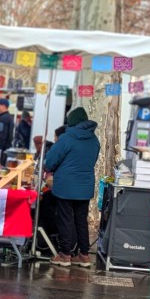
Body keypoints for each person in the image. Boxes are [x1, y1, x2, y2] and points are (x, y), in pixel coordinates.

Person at [44, 107, 100, 268]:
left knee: (65, 220)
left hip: (66, 187)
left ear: (72, 122)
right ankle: (83, 255)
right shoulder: (94, 140)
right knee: (81, 221)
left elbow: (50, 161)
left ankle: (65, 254)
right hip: (85, 187)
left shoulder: (66, 138)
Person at [0, 98, 15, 169]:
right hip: (6, 150)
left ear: (3, 106)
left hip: (1, 152)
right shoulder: (9, 118)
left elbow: (1, 136)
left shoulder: (3, 119)